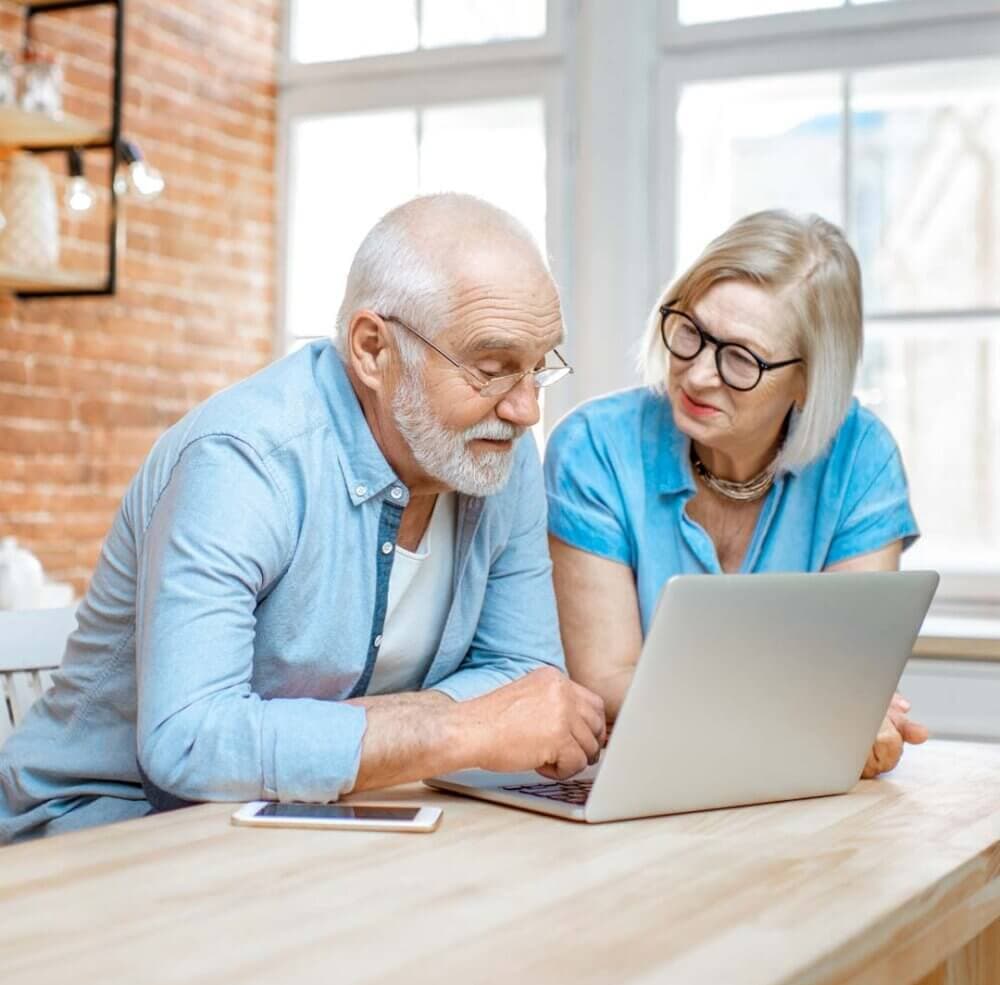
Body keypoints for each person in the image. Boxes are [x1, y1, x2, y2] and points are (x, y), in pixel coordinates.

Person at [0, 193, 606, 842]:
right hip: (103, 830)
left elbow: (525, 676)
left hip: (306, 822)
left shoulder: (496, 453)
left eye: (538, 367)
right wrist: (463, 728)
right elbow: (190, 742)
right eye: (491, 369)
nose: (524, 410)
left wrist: (339, 739)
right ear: (373, 349)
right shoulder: (243, 459)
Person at [544, 209, 926, 780]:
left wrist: (855, 712)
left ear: (809, 380)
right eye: (691, 332)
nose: (697, 375)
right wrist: (825, 710)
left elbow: (847, 674)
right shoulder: (593, 448)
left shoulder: (861, 459)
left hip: (788, 789)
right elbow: (608, 683)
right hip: (641, 781)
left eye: (742, 359)